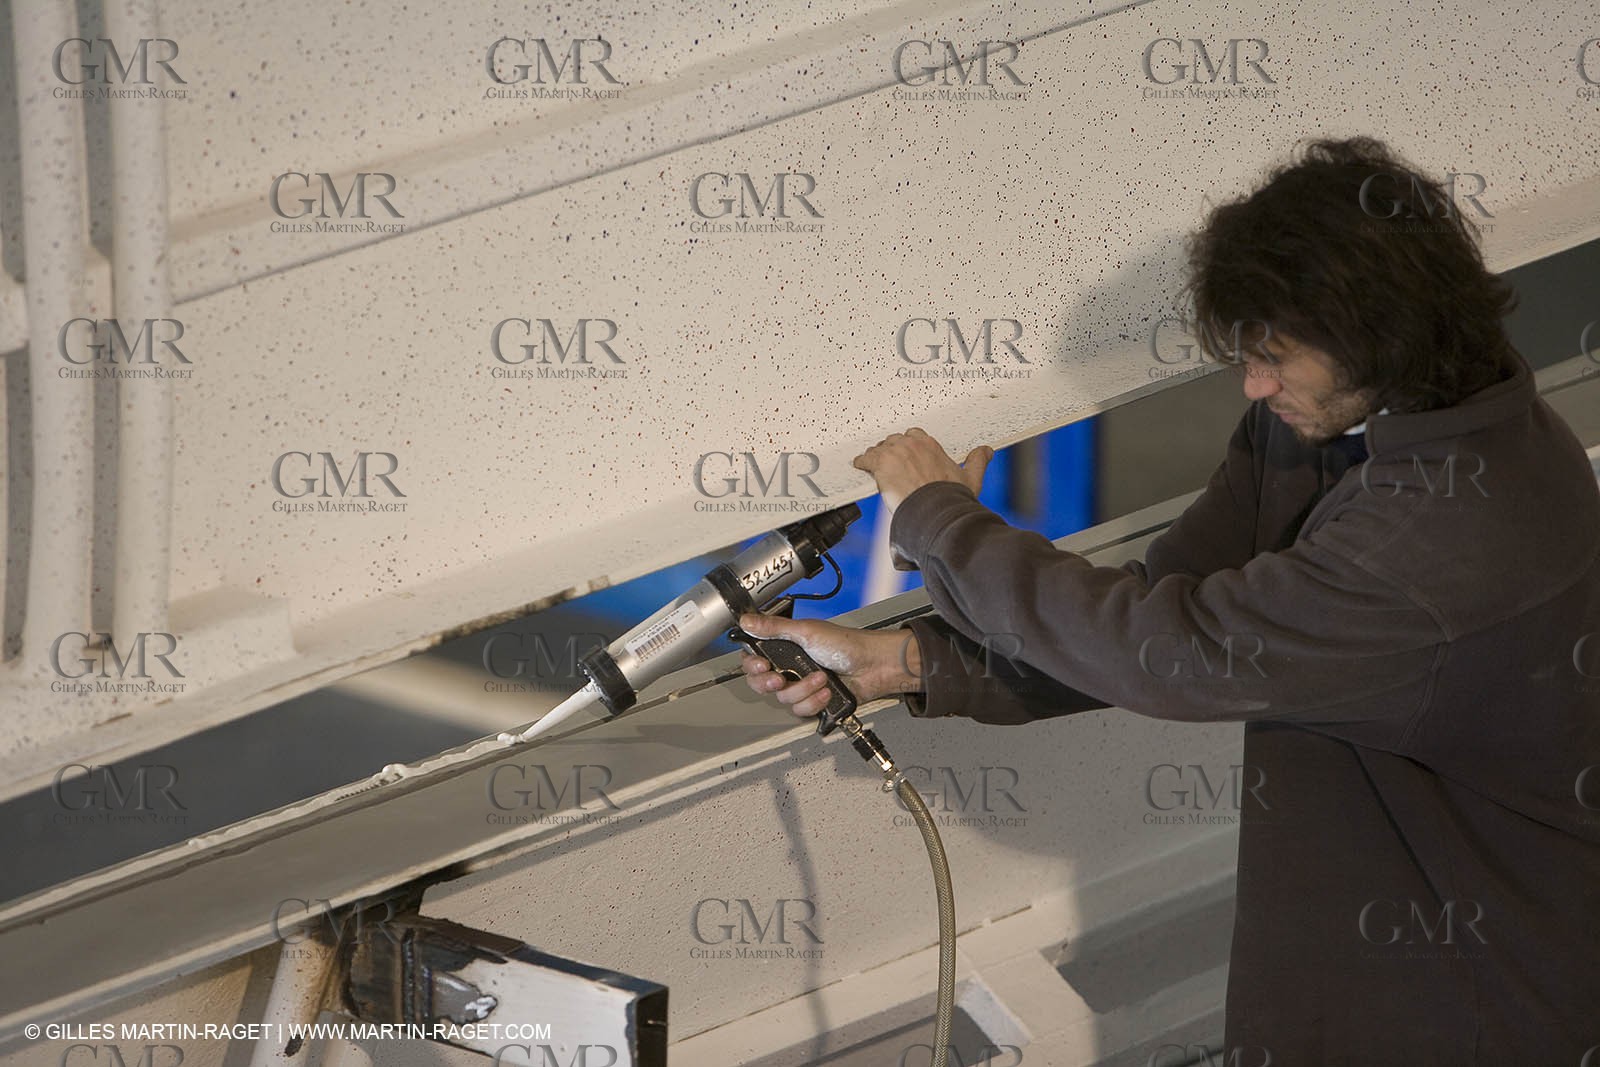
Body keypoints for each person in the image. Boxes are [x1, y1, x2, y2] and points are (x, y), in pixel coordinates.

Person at [738, 136, 1600, 1064]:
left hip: (1472, 996)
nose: (1254, 383)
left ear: (1379, 332)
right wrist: (907, 661)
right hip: (1358, 959)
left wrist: (941, 521)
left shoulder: (1446, 530)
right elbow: (1155, 607)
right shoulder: (1343, 421)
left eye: (1275, 355)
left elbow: (1178, 654)